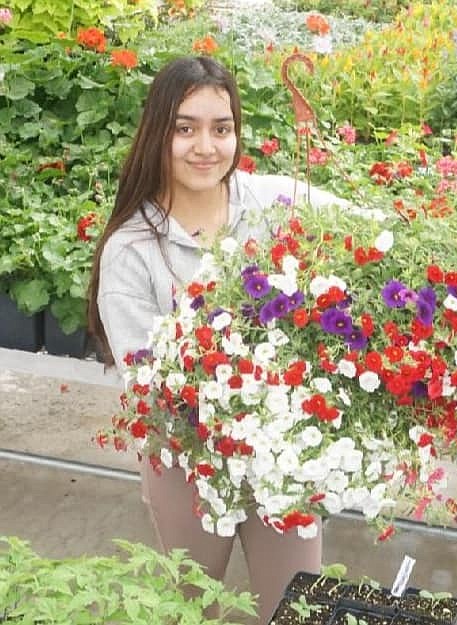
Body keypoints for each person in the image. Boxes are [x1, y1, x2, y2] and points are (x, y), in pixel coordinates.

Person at [88, 55, 346, 624]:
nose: (206, 146)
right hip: (185, 456)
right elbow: (149, 385)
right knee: (190, 607)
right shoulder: (132, 251)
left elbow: (367, 232)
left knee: (298, 607)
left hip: (285, 454)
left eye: (221, 128)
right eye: (186, 128)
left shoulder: (275, 201)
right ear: (160, 133)